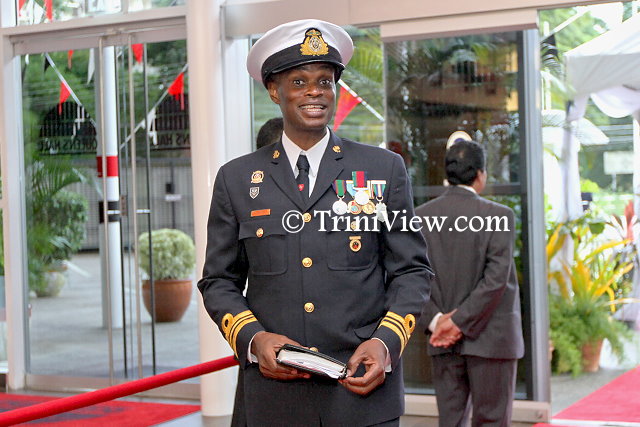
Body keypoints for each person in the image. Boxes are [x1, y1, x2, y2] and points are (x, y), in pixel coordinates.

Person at [198, 19, 432, 427]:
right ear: (274, 91)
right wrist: (253, 338)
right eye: (299, 81)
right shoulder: (236, 179)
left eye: (325, 81)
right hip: (275, 399)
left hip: (361, 393)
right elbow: (219, 280)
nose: (315, 92)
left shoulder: (381, 169)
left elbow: (412, 271)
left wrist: (385, 342)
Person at [415, 139, 524, 427]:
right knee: (492, 421)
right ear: (480, 175)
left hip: (441, 338)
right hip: (492, 339)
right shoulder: (499, 216)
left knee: (450, 421)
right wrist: (459, 322)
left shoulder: (420, 217)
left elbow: (413, 277)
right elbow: (496, 280)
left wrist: (439, 322)